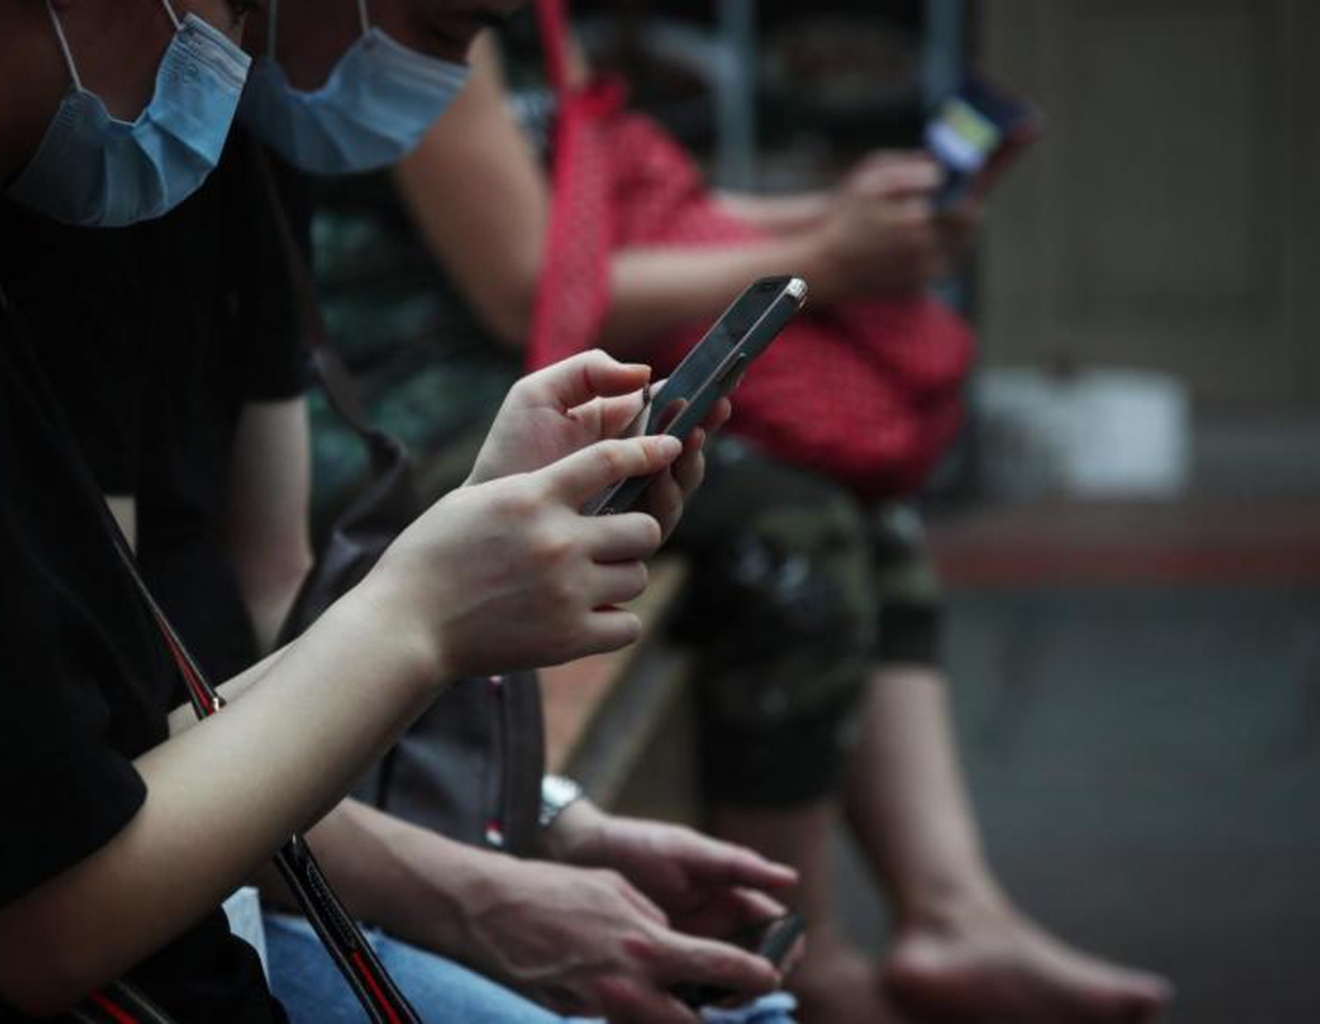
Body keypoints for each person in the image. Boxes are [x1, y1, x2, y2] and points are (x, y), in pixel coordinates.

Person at [0, 1, 711, 1019]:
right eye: (224, 5)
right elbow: (44, 920)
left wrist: (455, 557)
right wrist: (419, 615)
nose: (231, 51)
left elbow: (110, 729)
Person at [304, 12, 1175, 1024]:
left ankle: (951, 910)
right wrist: (829, 256)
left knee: (862, 513)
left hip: (539, 385)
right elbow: (533, 288)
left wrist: (834, 219)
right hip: (421, 420)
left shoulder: (540, 23)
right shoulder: (432, 27)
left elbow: (625, 207)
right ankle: (804, 957)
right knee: (790, 536)